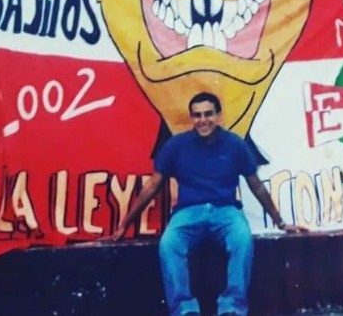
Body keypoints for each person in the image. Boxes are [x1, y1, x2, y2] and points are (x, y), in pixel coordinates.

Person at [107, 91, 304, 316]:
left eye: (208, 114)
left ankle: (232, 308)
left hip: (226, 212)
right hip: (188, 212)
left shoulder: (235, 145)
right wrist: (125, 224)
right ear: (192, 118)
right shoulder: (176, 145)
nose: (203, 120)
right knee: (169, 244)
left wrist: (280, 222)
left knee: (242, 240)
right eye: (197, 115)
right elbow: (152, 186)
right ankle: (184, 309)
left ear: (219, 116)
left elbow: (256, 185)